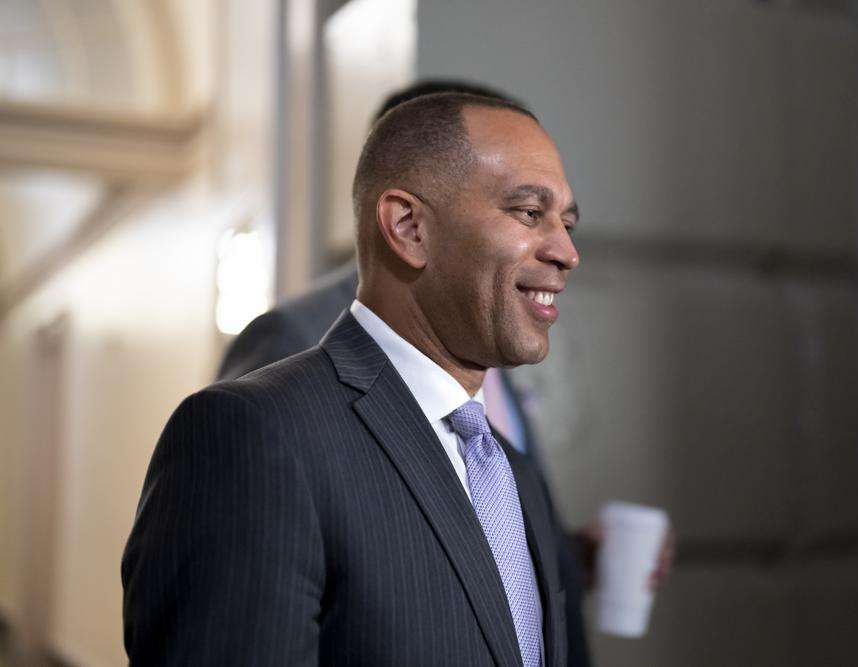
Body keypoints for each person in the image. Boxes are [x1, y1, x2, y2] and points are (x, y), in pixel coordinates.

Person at [123, 92, 581, 665]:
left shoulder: (513, 473)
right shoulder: (252, 437)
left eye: (566, 221)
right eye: (529, 213)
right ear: (409, 227)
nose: (567, 251)